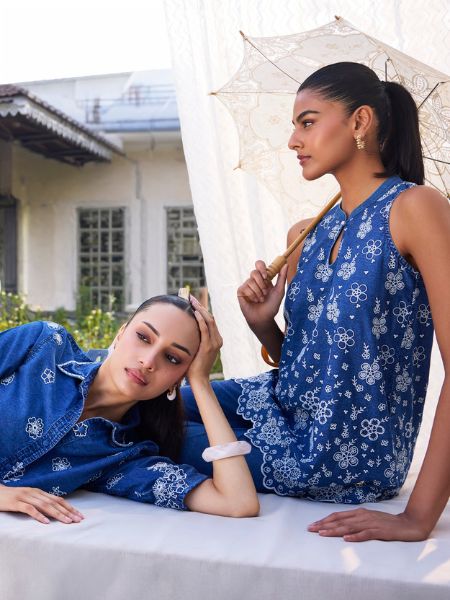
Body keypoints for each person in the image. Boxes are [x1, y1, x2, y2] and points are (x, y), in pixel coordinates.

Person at [180, 62, 450, 542]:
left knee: (142, 430)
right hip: (277, 406)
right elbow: (312, 365)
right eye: (294, 126)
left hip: (340, 453)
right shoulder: (304, 234)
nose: (293, 141)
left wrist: (417, 517)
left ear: (360, 121)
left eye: (307, 122)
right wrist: (264, 325)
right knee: (134, 398)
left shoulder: (415, 209)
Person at [0, 295, 259, 524]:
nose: (148, 361)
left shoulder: (123, 457)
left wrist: (200, 383)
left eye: (172, 358)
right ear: (121, 333)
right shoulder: (44, 344)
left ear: (179, 379)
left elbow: (237, 502)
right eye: (143, 337)